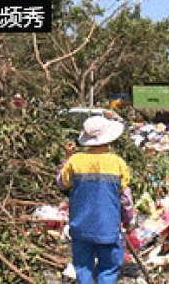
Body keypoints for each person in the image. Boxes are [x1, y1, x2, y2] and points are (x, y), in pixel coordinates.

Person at [56, 115, 131, 284]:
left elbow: (61, 183)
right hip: (108, 228)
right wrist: (127, 219)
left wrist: (67, 157)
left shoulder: (75, 161)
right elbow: (125, 198)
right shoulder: (118, 163)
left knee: (83, 268)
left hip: (80, 226)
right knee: (108, 268)